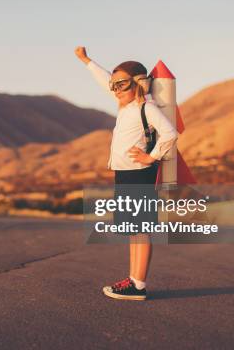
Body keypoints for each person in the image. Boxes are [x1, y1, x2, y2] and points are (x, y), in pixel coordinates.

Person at [75, 46, 178, 300]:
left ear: (139, 83)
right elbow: (104, 79)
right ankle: (133, 280)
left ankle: (139, 285)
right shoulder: (126, 106)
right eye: (114, 85)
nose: (116, 90)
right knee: (133, 229)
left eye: (121, 84)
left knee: (140, 229)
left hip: (138, 173)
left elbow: (170, 134)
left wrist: (151, 157)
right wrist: (87, 60)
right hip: (124, 173)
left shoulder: (146, 108)